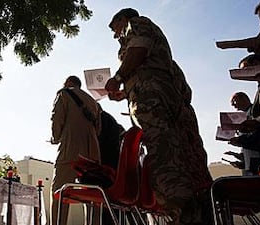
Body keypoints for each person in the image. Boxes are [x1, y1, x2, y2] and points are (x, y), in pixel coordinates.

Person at [105, 8, 213, 225]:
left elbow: (139, 48)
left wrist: (118, 77)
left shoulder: (136, 23)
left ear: (122, 19)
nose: (117, 36)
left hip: (153, 106)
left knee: (164, 162)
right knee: (186, 164)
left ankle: (182, 216)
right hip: (167, 106)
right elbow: (179, 85)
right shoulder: (165, 61)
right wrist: (127, 92)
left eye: (116, 29)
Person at [50, 75, 101, 225]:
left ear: (68, 83)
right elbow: (98, 129)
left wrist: (56, 138)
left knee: (59, 191)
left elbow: (57, 119)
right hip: (92, 152)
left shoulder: (64, 94)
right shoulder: (93, 102)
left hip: (71, 148)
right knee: (92, 194)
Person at [225, 92, 260, 175]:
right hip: (250, 164)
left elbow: (256, 137)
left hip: (257, 163)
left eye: (234, 101)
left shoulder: (254, 112)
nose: (232, 105)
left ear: (244, 99)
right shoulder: (245, 115)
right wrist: (241, 161)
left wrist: (240, 140)